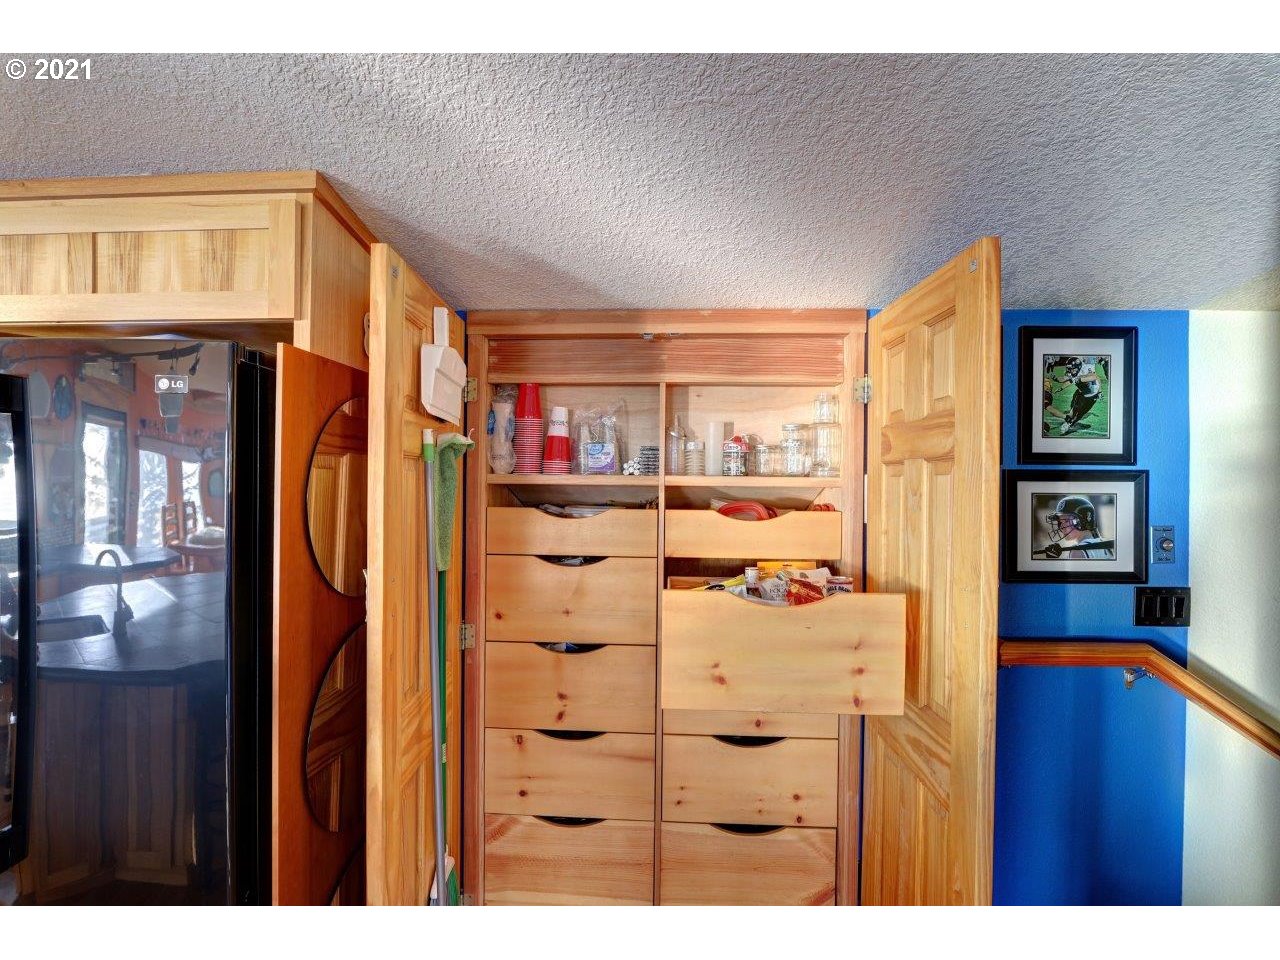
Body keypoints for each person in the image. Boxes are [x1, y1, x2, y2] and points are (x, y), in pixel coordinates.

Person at [1041, 495, 1114, 559]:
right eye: (1060, 522)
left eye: (1066, 521)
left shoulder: (1078, 552)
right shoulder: (1104, 545)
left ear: (1081, 522)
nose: (1062, 526)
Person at [1051, 355, 1103, 433]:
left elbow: (1094, 377)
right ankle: (1068, 423)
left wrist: (1099, 391)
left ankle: (1072, 422)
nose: (1070, 371)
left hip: (1093, 395)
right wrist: (1056, 380)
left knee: (1081, 413)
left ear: (1078, 367)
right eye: (1070, 369)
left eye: (1072, 369)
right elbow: (1065, 379)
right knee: (1074, 409)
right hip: (1082, 393)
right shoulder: (1073, 373)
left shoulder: (1086, 368)